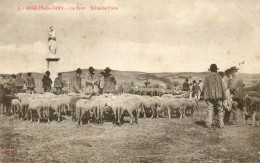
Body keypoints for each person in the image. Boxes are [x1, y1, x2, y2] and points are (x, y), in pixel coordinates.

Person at [203, 64, 226, 128]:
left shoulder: (207, 77)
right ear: (216, 69)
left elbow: (205, 87)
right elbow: (223, 87)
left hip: (210, 97)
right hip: (219, 97)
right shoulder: (219, 77)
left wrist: (205, 97)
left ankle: (209, 124)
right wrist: (224, 97)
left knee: (210, 110)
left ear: (210, 70)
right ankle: (221, 124)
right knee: (220, 110)